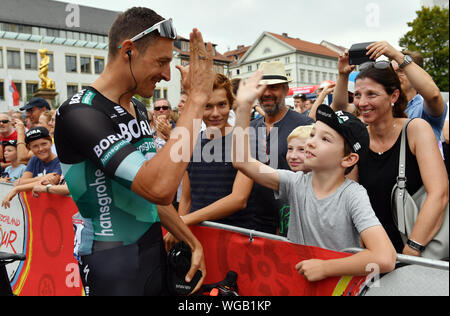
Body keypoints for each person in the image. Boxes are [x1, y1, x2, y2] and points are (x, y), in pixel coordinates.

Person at [54, 7, 213, 296]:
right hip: (112, 262)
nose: (167, 75)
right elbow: (158, 188)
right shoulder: (80, 112)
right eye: (161, 62)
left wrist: (190, 241)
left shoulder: (138, 108)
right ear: (129, 50)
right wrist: (195, 100)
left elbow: (146, 191)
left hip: (151, 254)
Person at [232, 71, 397, 282]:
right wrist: (244, 107)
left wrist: (327, 267)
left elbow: (385, 257)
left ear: (348, 159)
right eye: (312, 134)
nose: (310, 143)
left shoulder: (353, 195)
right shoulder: (294, 182)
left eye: (325, 139)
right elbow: (242, 161)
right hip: (298, 284)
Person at [343, 59, 448, 256]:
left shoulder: (416, 129)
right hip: (376, 254)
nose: (362, 102)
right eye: (357, 95)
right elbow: (351, 198)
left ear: (394, 96)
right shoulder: (358, 139)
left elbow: (439, 193)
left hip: (418, 252)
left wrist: (413, 248)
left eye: (371, 94)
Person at [168, 73, 257, 242]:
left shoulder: (247, 140)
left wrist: (182, 222)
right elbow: (187, 198)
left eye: (221, 105)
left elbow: (239, 199)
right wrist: (181, 232)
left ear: (230, 104)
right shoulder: (191, 142)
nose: (215, 113)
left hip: (235, 240)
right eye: (208, 106)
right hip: (198, 238)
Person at [250, 61, 314, 234]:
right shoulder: (249, 128)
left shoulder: (305, 125)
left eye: (274, 88)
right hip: (254, 222)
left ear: (286, 90)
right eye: (263, 88)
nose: (267, 93)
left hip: (293, 220)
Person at [366, 42, 447, 142]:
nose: (395, 75)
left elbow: (434, 95)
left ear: (416, 75)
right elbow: (344, 107)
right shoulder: (384, 107)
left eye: (401, 70)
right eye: (392, 71)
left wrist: (396, 55)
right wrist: (344, 75)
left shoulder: (423, 108)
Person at [2, 127, 62, 208]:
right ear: (30, 148)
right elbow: (21, 182)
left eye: (44, 144)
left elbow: (54, 180)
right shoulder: (34, 159)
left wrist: (17, 189)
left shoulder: (60, 161)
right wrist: (43, 178)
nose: (40, 149)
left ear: (51, 143)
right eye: (35, 146)